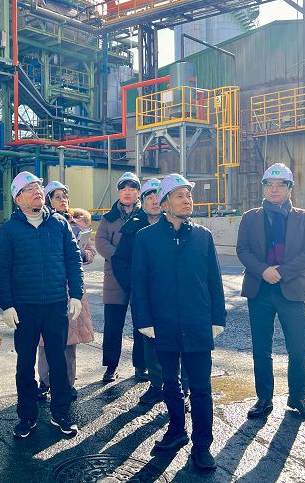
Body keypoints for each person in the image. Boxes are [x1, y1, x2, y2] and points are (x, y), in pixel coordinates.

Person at [131, 173, 226, 470]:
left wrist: (217, 317)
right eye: (180, 196)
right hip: (164, 324)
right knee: (170, 383)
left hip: (198, 323)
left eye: (189, 195)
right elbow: (139, 283)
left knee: (200, 387)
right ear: (164, 203)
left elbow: (214, 281)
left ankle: (202, 445)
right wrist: (143, 319)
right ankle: (176, 431)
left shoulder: (202, 237)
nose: (188, 201)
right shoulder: (145, 238)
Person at [0, 172, 84, 438]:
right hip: (25, 309)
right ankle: (26, 416)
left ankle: (61, 413)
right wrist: (7, 305)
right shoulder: (10, 230)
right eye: (29, 189)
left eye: (38, 187)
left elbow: (73, 259)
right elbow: (2, 270)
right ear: (18, 198)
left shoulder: (59, 223)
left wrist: (76, 294)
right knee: (24, 364)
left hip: (55, 305)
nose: (37, 192)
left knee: (58, 361)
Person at [236, 163, 305, 422]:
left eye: (280, 185)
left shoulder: (304, 218)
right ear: (264, 187)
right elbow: (242, 250)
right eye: (269, 185)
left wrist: (280, 272)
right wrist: (263, 270)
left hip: (291, 289)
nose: (274, 189)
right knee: (261, 348)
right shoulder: (250, 217)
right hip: (259, 290)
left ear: (289, 188)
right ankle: (264, 398)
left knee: (298, 348)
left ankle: (298, 398)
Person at [112, 178, 190, 407]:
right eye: (149, 197)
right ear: (143, 202)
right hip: (146, 296)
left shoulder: (183, 226)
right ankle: (157, 385)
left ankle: (183, 389)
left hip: (176, 297)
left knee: (183, 343)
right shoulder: (134, 228)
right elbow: (120, 261)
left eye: (158, 196)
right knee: (151, 341)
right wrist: (134, 286)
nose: (155, 201)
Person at [37, 182, 95, 400]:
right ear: (48, 200)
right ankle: (45, 381)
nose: (63, 200)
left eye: (65, 197)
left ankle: (68, 383)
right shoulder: (41, 222)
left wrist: (84, 255)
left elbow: (90, 250)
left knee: (70, 341)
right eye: (58, 197)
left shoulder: (76, 222)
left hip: (73, 288)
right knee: (45, 341)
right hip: (50, 286)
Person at [95, 171, 146, 382]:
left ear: (138, 192)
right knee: (113, 325)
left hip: (140, 276)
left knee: (141, 323)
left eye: (132, 188)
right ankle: (111, 366)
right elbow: (100, 242)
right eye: (123, 188)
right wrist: (119, 256)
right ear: (118, 192)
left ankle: (141, 366)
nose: (127, 192)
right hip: (114, 277)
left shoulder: (145, 217)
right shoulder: (108, 218)